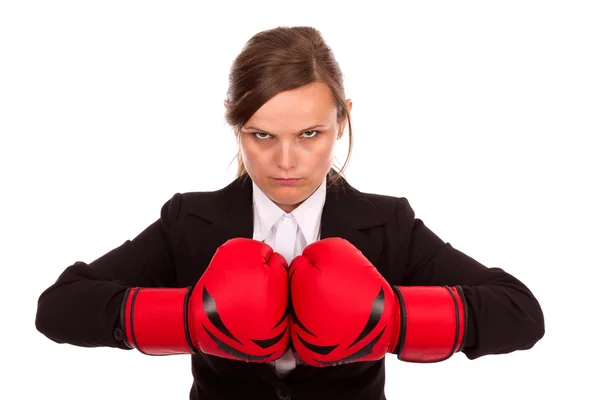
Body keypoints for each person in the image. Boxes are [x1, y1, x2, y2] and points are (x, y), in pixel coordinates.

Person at [35, 25, 545, 400]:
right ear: (235, 126)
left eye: (309, 134)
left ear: (342, 119)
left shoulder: (387, 224)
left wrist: (391, 321)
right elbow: (58, 307)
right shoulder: (190, 222)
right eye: (262, 135)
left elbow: (521, 313)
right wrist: (189, 319)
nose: (285, 161)